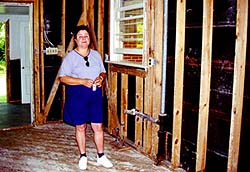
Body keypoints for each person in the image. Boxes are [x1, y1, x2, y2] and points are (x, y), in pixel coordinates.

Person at [59, 25, 113, 170]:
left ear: (89, 39)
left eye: (86, 36)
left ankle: (101, 156)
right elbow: (63, 78)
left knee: (98, 126)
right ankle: (83, 156)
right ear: (76, 40)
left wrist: (101, 78)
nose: (83, 38)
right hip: (78, 95)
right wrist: (82, 81)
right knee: (81, 126)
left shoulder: (96, 55)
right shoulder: (70, 57)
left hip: (95, 94)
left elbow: (103, 72)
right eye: (80, 36)